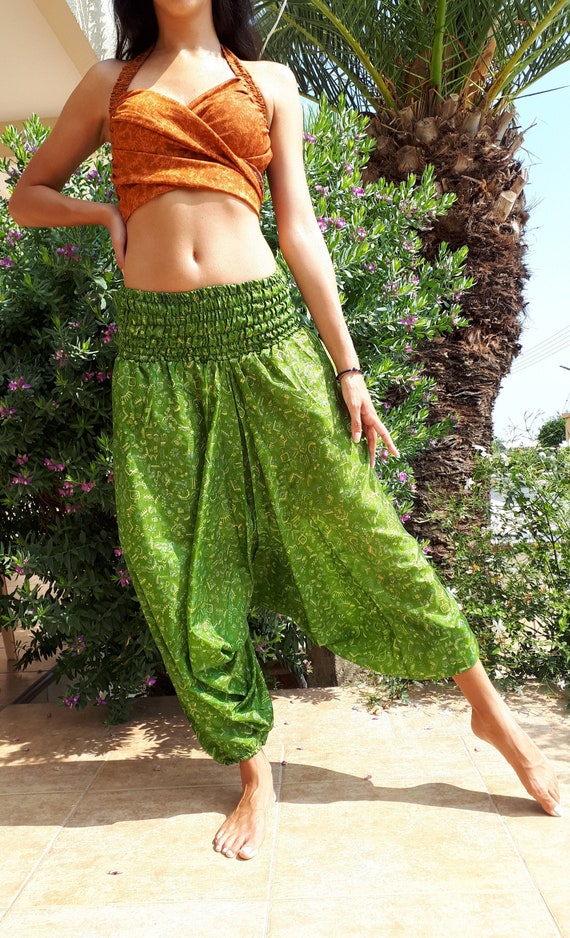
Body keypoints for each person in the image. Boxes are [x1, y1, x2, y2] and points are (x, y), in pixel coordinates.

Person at [9, 0, 561, 860]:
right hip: (158, 351)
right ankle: (254, 771)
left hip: (266, 332)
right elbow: (27, 196)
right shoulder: (108, 84)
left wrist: (349, 368)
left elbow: (299, 230)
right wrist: (103, 215)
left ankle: (490, 712)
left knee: (359, 522)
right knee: (179, 560)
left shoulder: (266, 81)